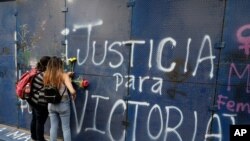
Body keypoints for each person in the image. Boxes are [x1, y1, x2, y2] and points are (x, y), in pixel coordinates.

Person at [43, 56, 76, 141]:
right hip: (63, 104)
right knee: (66, 128)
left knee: (53, 127)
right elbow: (72, 91)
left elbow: (55, 79)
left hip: (51, 104)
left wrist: (67, 75)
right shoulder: (64, 76)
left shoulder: (46, 75)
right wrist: (74, 95)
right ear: (60, 65)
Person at [27, 56, 51, 141]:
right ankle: (40, 139)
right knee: (40, 121)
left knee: (35, 119)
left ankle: (34, 136)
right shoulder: (44, 75)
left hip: (33, 100)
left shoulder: (36, 71)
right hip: (40, 102)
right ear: (47, 65)